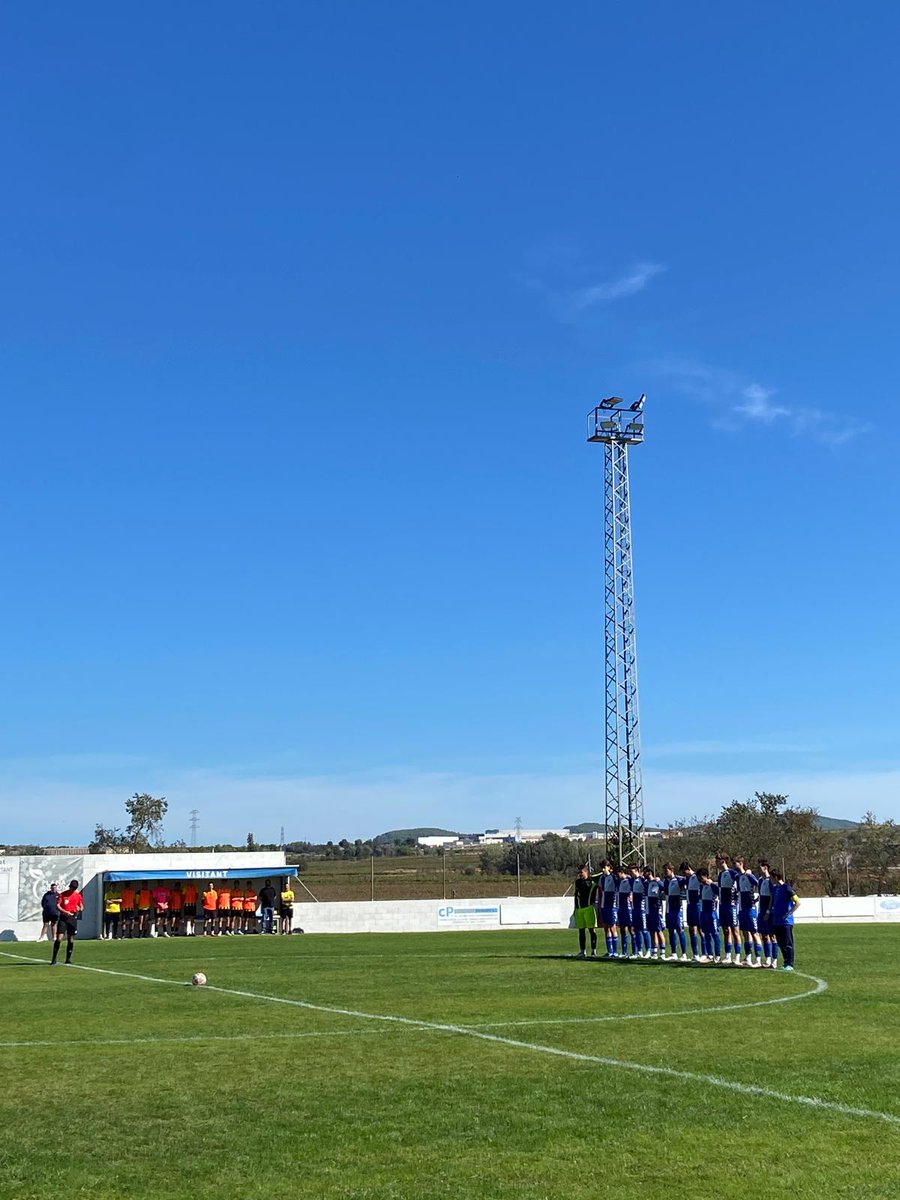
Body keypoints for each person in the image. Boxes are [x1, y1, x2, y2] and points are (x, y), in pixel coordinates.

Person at [733, 856, 762, 967]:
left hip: (750, 908)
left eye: (735, 863)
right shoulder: (738, 877)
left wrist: (757, 899)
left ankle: (758, 959)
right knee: (745, 933)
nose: (734, 865)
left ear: (740, 863)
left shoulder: (749, 876)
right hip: (741, 909)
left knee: (754, 933)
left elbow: (759, 884)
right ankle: (748, 957)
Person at [770, 869, 800, 971]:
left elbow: (797, 902)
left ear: (776, 877)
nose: (770, 880)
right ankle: (785, 962)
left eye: (771, 877)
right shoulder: (775, 889)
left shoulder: (787, 888)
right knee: (780, 943)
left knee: (788, 943)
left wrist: (789, 913)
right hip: (776, 920)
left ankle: (790, 964)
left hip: (786, 922)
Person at [716, 853, 742, 965]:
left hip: (731, 906)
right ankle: (727, 955)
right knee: (726, 931)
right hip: (722, 906)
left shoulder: (732, 873)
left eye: (717, 860)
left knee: (735, 931)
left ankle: (737, 956)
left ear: (723, 861)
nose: (716, 862)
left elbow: (741, 879)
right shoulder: (720, 874)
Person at [52, 879, 84, 966]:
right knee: (59, 938)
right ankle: (54, 958)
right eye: (72, 887)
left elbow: (81, 906)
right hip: (64, 917)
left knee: (71, 939)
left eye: (75, 888)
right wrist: (65, 912)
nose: (73, 889)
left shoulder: (77, 896)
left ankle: (68, 959)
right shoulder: (63, 895)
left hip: (73, 918)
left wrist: (80, 909)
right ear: (70, 886)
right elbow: (58, 905)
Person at [572, 865, 601, 958]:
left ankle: (593, 950)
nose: (580, 874)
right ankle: (582, 951)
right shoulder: (578, 882)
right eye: (579, 873)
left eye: (582, 872)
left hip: (589, 908)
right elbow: (576, 895)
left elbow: (601, 875)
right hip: (579, 909)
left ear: (586, 872)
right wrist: (575, 907)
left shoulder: (592, 881)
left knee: (591, 930)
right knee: (581, 930)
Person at [662, 863, 688, 961]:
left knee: (680, 930)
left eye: (666, 870)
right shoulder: (665, 881)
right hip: (668, 909)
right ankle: (674, 953)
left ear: (671, 870)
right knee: (670, 931)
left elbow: (688, 880)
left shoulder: (679, 879)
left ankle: (684, 954)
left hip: (677, 909)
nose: (665, 872)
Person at [696, 868, 721, 962]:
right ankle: (709, 954)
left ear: (704, 876)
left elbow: (718, 892)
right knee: (706, 934)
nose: (699, 880)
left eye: (700, 878)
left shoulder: (712, 885)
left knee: (715, 933)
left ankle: (717, 955)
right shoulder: (701, 886)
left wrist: (711, 884)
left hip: (712, 913)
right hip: (703, 912)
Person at [757, 860, 777, 968]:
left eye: (760, 867)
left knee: (772, 936)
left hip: (769, 911)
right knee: (764, 935)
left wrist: (769, 911)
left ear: (765, 868)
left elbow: (772, 897)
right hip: (761, 910)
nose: (759, 869)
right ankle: (768, 959)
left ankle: (774, 960)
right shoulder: (760, 880)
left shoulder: (770, 880)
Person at [643, 866, 666, 960]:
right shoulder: (646, 883)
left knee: (659, 930)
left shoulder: (657, 882)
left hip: (656, 910)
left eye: (644, 872)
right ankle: (654, 951)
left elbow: (665, 887)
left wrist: (659, 881)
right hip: (648, 910)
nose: (643, 874)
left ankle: (663, 952)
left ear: (649, 872)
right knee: (652, 931)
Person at [598, 861, 619, 958]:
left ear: (609, 867)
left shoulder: (614, 877)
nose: (602, 870)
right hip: (604, 905)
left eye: (604, 867)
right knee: (606, 928)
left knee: (613, 927)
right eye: (602, 868)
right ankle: (609, 951)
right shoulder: (601, 878)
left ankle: (615, 951)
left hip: (612, 906)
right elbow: (600, 892)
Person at [683, 863, 704, 961]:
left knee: (700, 929)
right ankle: (695, 954)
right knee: (691, 929)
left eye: (684, 871)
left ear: (688, 869)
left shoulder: (696, 876)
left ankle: (705, 953)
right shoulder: (687, 878)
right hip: (689, 905)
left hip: (697, 905)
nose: (684, 874)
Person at [629, 866, 650, 957]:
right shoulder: (632, 880)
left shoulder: (642, 880)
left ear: (637, 871)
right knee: (636, 930)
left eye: (632, 871)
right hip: (634, 909)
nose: (630, 873)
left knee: (644, 930)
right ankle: (639, 951)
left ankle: (649, 950)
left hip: (642, 909)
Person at [615, 866, 634, 957]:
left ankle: (635, 951)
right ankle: (624, 951)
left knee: (631, 929)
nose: (617, 876)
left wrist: (630, 895)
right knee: (622, 929)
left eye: (618, 873)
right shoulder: (618, 881)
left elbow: (634, 888)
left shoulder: (629, 879)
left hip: (628, 908)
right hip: (620, 908)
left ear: (622, 872)